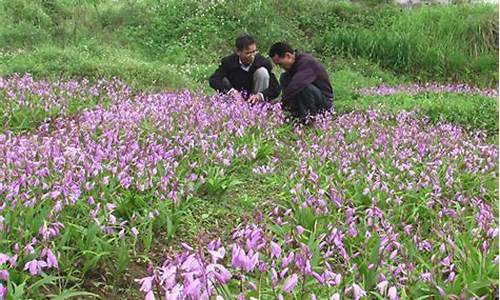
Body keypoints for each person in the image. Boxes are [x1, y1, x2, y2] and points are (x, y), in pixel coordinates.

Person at [268, 42, 333, 122]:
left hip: (323, 101)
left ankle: (309, 118)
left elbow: (296, 85)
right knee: (284, 77)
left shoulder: (306, 62)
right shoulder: (294, 65)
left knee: (304, 87)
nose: (281, 67)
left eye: (280, 64)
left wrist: (279, 104)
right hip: (309, 97)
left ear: (288, 56)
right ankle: (294, 113)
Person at [209, 35, 280, 104]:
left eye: (254, 52)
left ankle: (258, 108)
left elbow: (275, 88)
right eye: (248, 53)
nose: (252, 56)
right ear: (238, 52)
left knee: (262, 72)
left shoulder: (263, 62)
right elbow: (214, 79)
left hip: (255, 95)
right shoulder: (229, 62)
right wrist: (231, 91)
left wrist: (260, 96)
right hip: (235, 99)